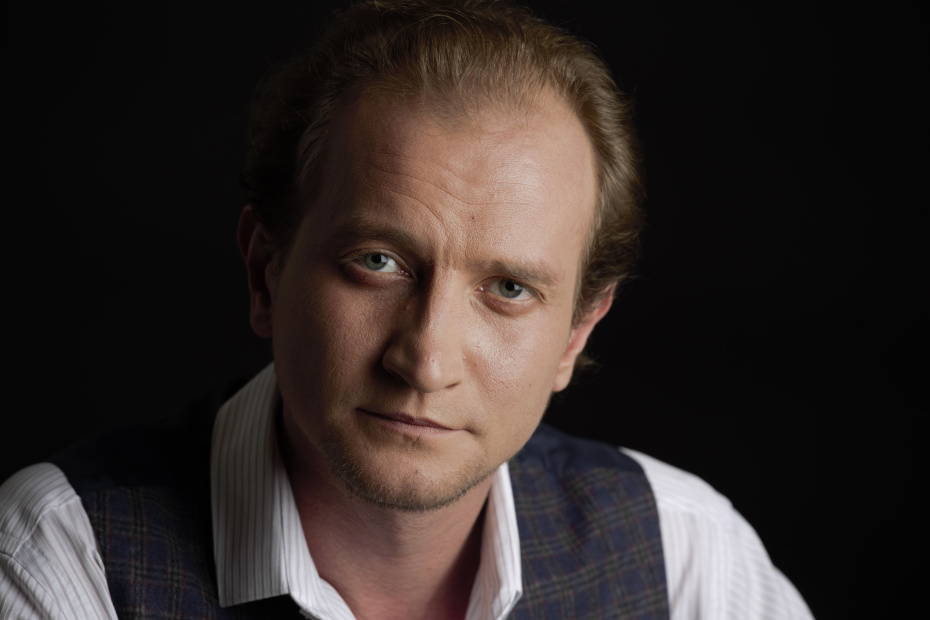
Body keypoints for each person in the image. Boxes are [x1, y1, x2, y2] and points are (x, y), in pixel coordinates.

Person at [0, 1, 813, 618]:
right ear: (265, 272)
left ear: (576, 334)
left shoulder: (685, 556)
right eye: (378, 262)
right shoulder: (63, 556)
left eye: (509, 289)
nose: (426, 360)